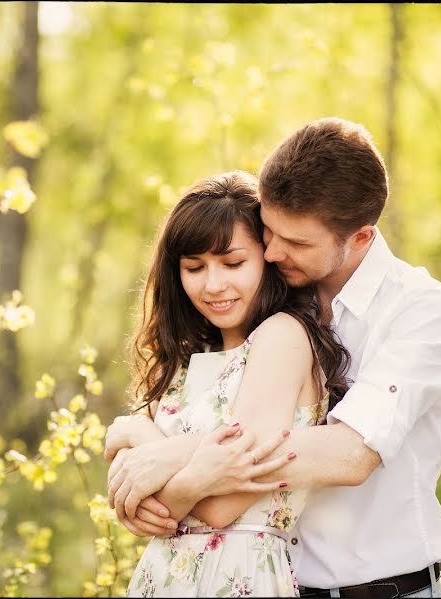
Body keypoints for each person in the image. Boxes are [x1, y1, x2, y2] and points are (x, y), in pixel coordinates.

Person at [106, 117, 441, 598]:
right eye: (269, 231)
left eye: (295, 242)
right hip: (276, 582)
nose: (272, 252)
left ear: (360, 237)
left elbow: (351, 454)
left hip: (381, 587)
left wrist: (160, 452)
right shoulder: (270, 303)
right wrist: (142, 443)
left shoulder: (418, 309)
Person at [110, 169, 350, 597]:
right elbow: (139, 507)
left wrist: (137, 432)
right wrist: (176, 486)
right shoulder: (184, 363)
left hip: (240, 577)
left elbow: (223, 506)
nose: (214, 285)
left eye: (233, 263)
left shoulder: (282, 337)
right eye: (194, 267)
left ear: (267, 257)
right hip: (161, 581)